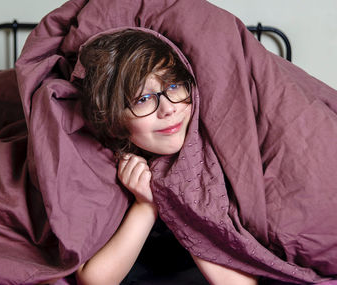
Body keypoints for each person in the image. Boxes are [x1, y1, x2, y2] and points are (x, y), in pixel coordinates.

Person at [74, 29, 257, 285]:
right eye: (143, 99)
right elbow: (95, 281)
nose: (168, 108)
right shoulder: (104, 164)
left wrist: (174, 199)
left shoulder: (216, 157)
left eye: (173, 86)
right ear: (114, 122)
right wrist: (145, 205)